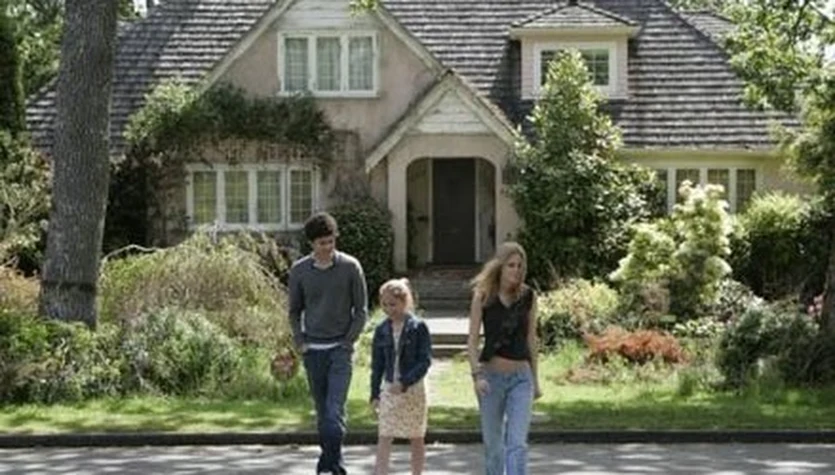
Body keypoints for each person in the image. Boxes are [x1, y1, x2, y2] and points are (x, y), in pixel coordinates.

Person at [288, 212, 368, 475]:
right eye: (322, 243)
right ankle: (332, 464)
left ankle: (331, 466)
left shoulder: (350, 267)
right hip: (313, 351)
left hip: (340, 351)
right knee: (323, 414)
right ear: (312, 243)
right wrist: (300, 341)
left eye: (331, 242)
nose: (327, 247)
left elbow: (361, 310)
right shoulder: (300, 271)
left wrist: (349, 341)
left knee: (334, 412)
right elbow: (294, 311)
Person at [467, 242, 542, 475]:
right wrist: (476, 375)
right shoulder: (483, 296)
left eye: (520, 266)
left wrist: (536, 381)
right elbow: (472, 341)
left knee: (517, 444)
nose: (516, 270)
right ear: (500, 266)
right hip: (491, 379)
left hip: (521, 378)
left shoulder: (528, 296)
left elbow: (531, 340)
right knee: (494, 447)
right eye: (511, 265)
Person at [369, 278, 432, 475]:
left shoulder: (418, 327)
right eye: (385, 304)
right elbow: (377, 365)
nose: (389, 309)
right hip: (389, 387)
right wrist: (374, 394)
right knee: (384, 434)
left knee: (416, 435)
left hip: (413, 388)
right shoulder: (381, 330)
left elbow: (424, 361)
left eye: (393, 304)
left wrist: (405, 381)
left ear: (404, 302)